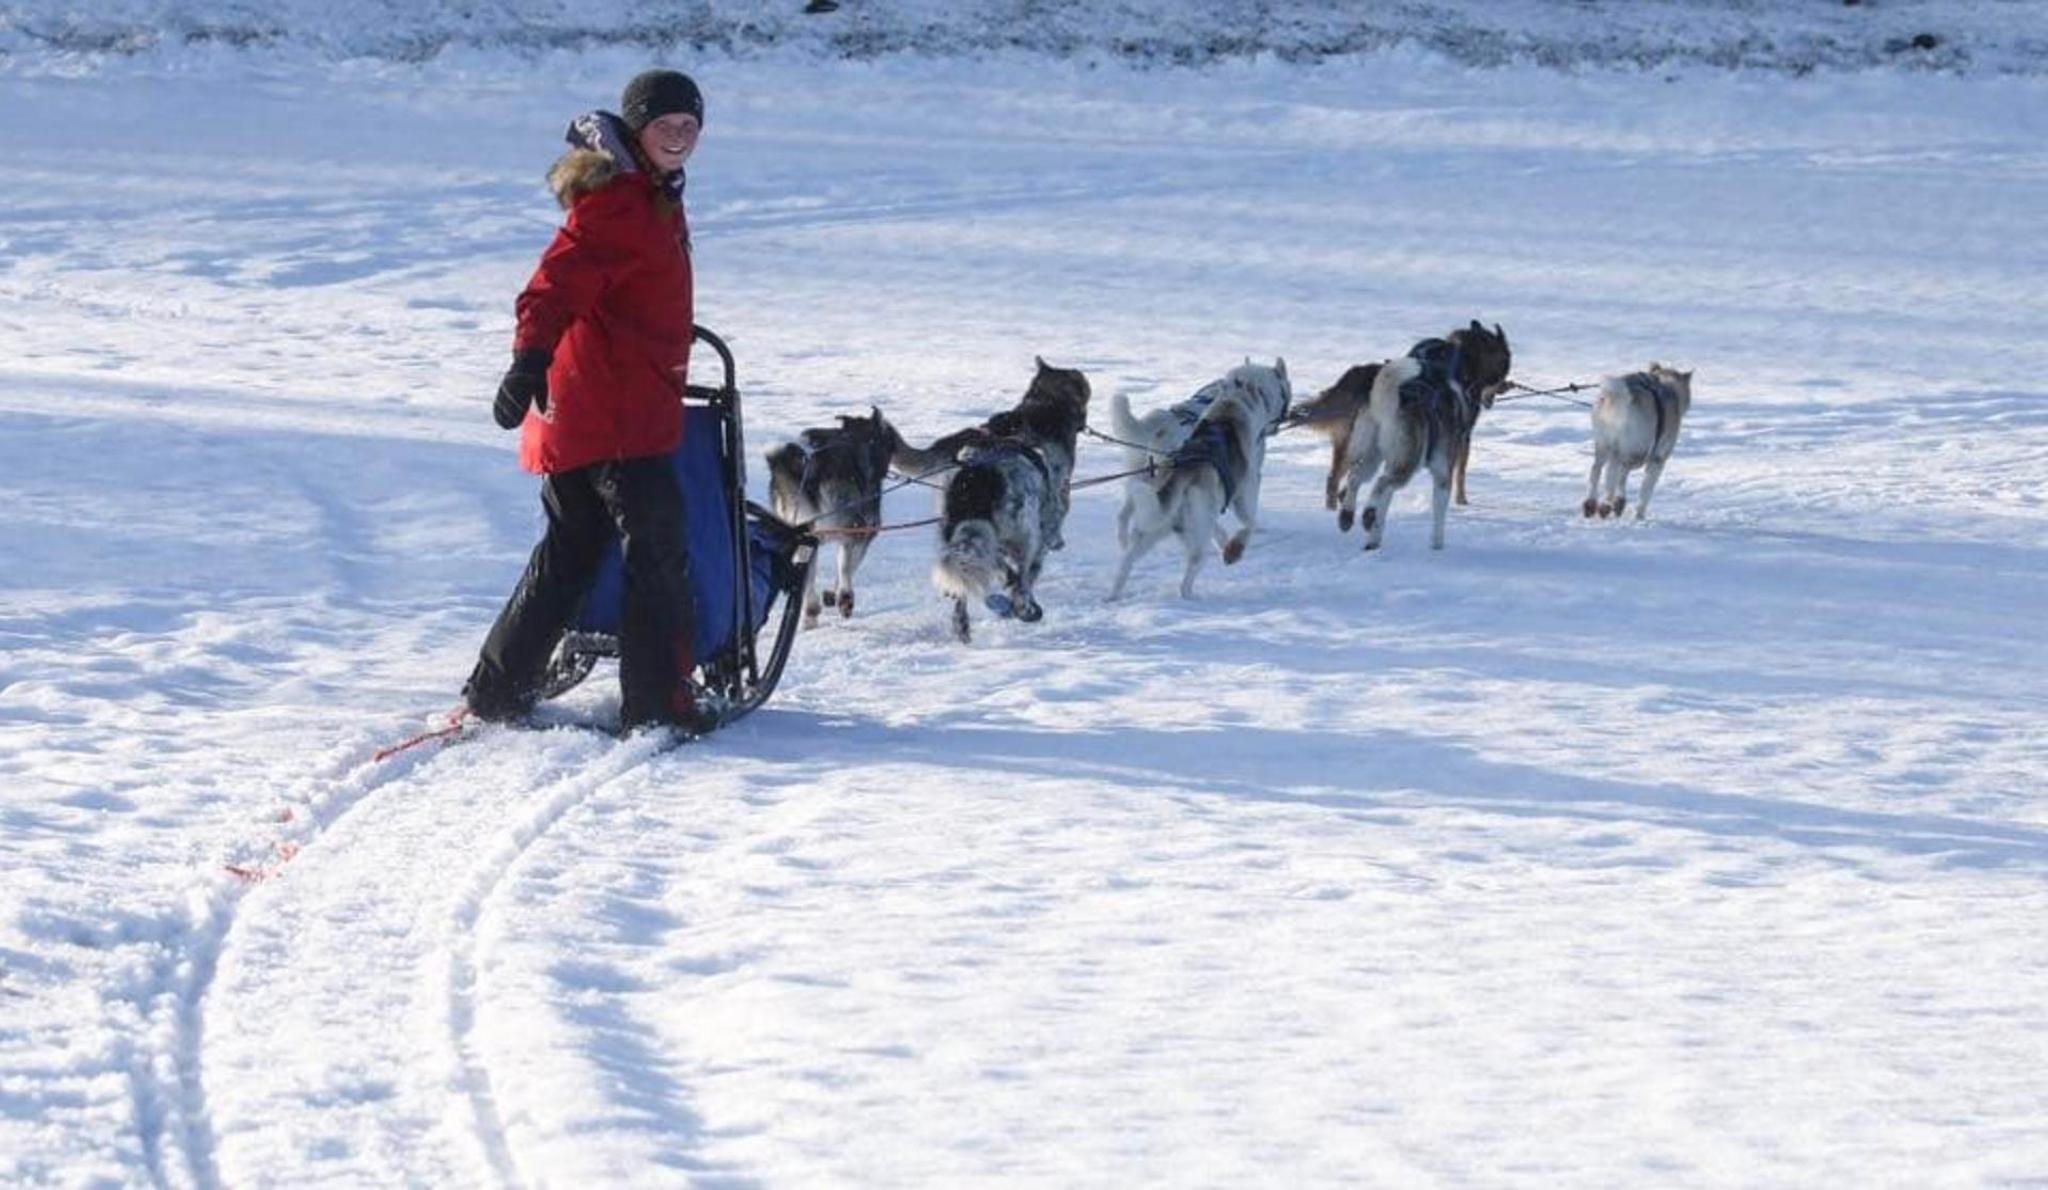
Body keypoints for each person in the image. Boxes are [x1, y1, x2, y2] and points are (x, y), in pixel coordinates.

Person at [462, 69, 712, 733]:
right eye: (666, 126)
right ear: (637, 128)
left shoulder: (647, 190)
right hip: (617, 416)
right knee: (657, 554)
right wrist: (527, 361)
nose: (680, 137)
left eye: (690, 126)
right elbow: (552, 288)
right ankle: (658, 706)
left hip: (598, 408)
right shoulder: (622, 201)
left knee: (571, 551)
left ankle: (497, 689)